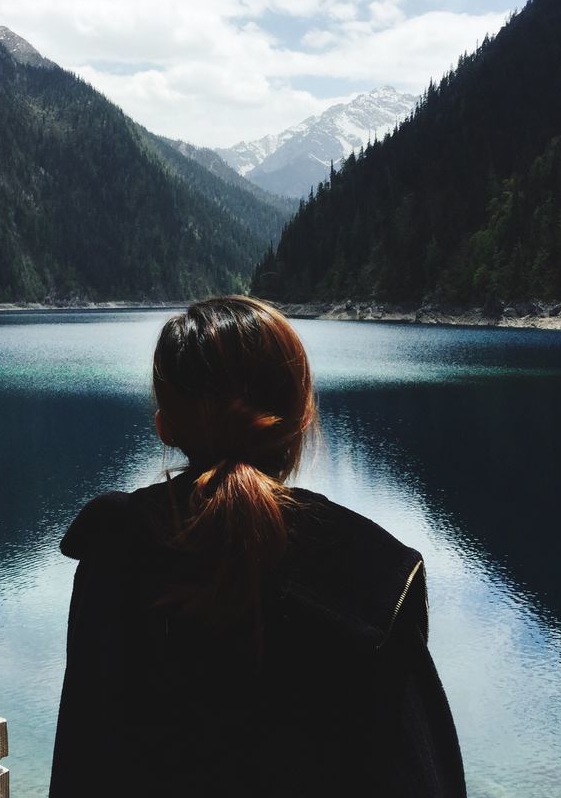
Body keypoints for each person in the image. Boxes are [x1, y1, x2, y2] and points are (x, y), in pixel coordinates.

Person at [49, 296, 466, 797]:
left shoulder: (115, 546)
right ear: (300, 417)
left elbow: (82, 764)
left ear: (166, 426)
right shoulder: (371, 573)